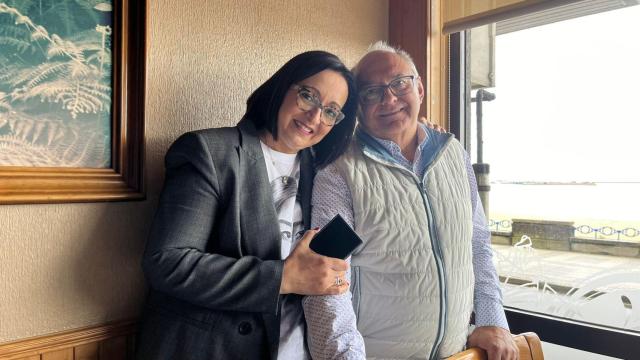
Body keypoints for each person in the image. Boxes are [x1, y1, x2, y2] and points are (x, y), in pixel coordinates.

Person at [136, 50, 359, 360]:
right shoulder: (211, 153)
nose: (315, 117)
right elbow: (168, 262)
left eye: (331, 111)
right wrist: (283, 278)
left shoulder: (324, 173)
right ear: (282, 88)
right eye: (309, 96)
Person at [303, 42, 519, 360]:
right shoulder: (340, 171)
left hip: (457, 353)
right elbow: (328, 276)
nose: (389, 98)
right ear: (357, 107)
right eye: (372, 92)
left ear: (419, 88)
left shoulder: (453, 154)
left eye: (399, 83)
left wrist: (492, 321)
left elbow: (478, 244)